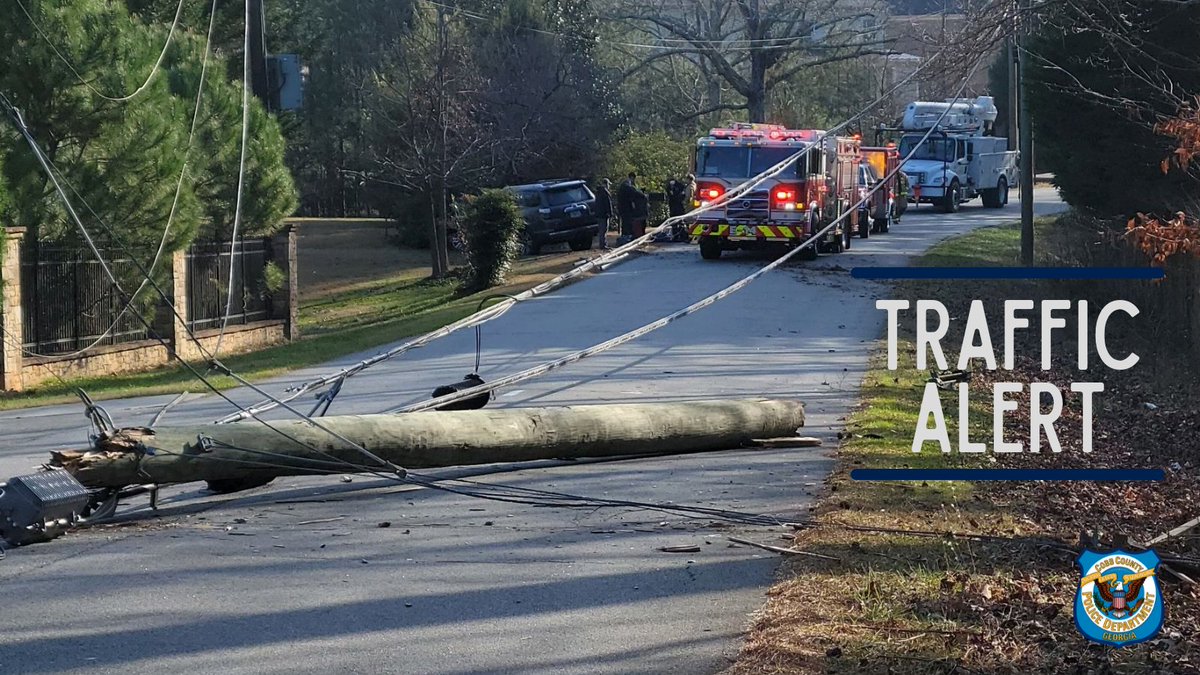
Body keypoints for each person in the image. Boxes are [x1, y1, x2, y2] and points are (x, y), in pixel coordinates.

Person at [617, 172, 645, 245]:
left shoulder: (626, 184)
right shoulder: (626, 184)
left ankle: (626, 236)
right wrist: (642, 194)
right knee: (626, 223)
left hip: (624, 208)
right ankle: (626, 236)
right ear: (632, 177)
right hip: (625, 208)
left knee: (626, 222)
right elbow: (633, 191)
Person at [594, 178, 613, 249]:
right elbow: (607, 204)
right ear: (606, 184)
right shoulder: (604, 192)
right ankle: (603, 245)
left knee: (602, 230)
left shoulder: (598, 192)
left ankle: (603, 244)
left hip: (599, 214)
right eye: (608, 184)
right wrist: (610, 213)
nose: (609, 186)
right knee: (603, 230)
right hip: (603, 214)